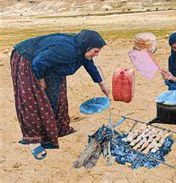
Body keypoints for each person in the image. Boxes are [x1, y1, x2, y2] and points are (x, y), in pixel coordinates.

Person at [11, 30, 109, 160]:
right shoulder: (67, 49)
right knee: (34, 100)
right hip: (28, 59)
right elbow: (38, 62)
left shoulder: (81, 48)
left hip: (48, 63)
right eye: (96, 51)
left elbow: (89, 64)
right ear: (89, 47)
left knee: (58, 96)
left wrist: (102, 85)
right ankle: (33, 141)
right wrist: (40, 79)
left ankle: (56, 129)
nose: (96, 55)